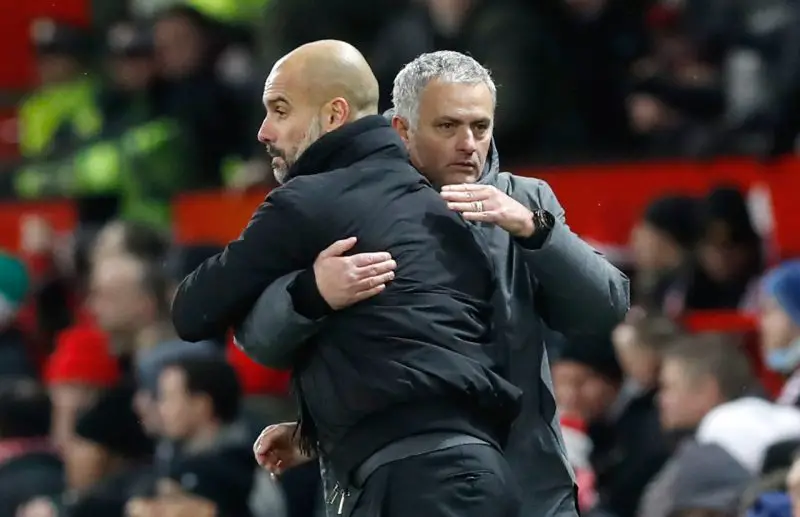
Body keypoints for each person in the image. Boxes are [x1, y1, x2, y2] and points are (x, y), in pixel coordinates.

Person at [239, 50, 630, 516]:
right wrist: (312, 292)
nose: (468, 144)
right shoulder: (340, 206)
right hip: (393, 489)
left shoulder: (524, 200)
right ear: (401, 130)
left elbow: (606, 308)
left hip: (529, 491)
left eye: (480, 127)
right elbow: (260, 338)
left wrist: (535, 231)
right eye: (447, 126)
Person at [171, 41, 523, 516]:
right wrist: (321, 435)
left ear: (334, 114)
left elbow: (193, 310)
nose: (264, 131)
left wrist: (308, 291)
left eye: (280, 110)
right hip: (481, 477)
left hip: (415, 486)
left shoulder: (308, 201)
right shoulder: (439, 208)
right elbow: (423, 360)